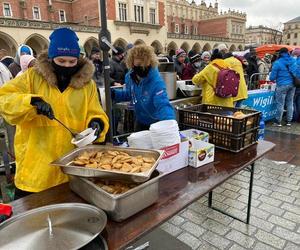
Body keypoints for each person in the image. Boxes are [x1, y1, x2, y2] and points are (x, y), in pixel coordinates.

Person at [0, 27, 109, 197]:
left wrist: (96, 123)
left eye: (71, 62)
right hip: (35, 171)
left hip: (72, 169)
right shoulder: (32, 77)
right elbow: (4, 99)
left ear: (78, 60)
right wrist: (32, 102)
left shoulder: (87, 85)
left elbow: (95, 111)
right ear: (51, 59)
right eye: (61, 61)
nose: (66, 66)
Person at [112, 45, 175, 131]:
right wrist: (114, 94)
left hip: (155, 123)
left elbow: (162, 103)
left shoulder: (156, 81)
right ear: (132, 63)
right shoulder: (130, 77)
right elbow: (130, 94)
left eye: (144, 65)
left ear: (150, 62)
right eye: (137, 65)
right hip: (140, 121)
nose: (141, 68)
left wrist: (169, 123)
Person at [269, 47, 298, 126]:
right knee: (290, 102)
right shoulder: (293, 61)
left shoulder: (277, 63)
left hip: (282, 85)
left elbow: (272, 77)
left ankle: (278, 121)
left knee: (280, 104)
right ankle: (289, 121)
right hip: (292, 84)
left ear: (280, 54)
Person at [292, 48, 300, 122]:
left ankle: (294, 116)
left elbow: (294, 73)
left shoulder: (295, 61)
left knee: (293, 101)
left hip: (296, 83)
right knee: (298, 101)